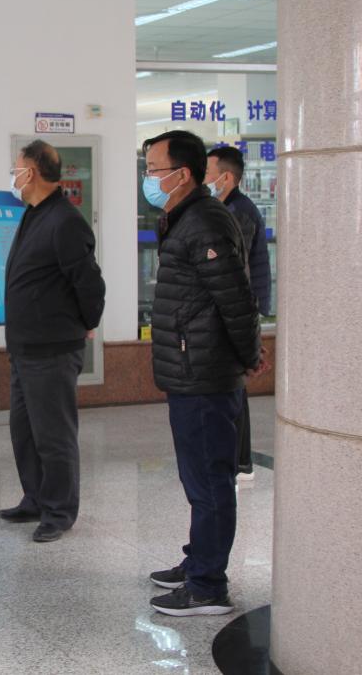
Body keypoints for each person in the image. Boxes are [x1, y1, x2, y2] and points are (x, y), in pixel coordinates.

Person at [142, 130, 264, 617]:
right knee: (199, 479)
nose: (148, 178)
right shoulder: (184, 217)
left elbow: (236, 299)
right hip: (190, 368)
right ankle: (199, 561)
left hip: (205, 373)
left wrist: (249, 354)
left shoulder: (205, 222)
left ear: (182, 174)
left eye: (154, 169)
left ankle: (208, 586)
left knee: (210, 482)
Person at [0, 140, 105, 543]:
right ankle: (36, 498)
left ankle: (59, 511)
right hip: (25, 347)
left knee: (53, 435)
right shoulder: (34, 213)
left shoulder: (65, 220)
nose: (13, 176)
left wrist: (87, 321)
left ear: (33, 172)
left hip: (52, 348)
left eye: (17, 169)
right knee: (25, 432)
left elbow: (89, 283)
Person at [205, 146, 272, 481]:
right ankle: (237, 461)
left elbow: (232, 270)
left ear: (226, 178)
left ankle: (240, 462)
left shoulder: (238, 213)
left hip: (238, 311)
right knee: (231, 387)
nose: (203, 179)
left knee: (233, 387)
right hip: (235, 310)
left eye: (207, 173)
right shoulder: (227, 208)